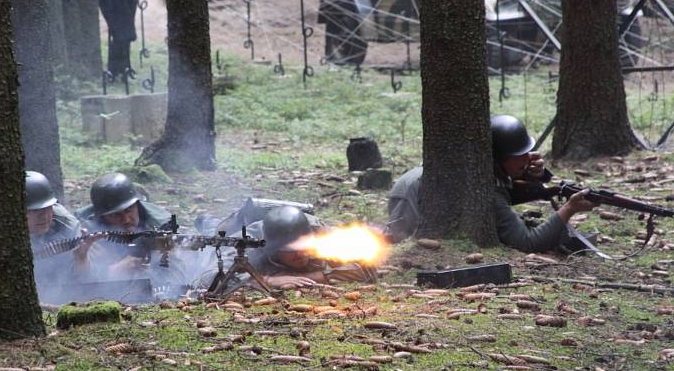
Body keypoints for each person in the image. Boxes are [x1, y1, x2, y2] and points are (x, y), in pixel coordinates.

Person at [387, 115, 598, 252]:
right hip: (408, 196)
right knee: (398, 240)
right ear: (497, 159)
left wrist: (539, 175)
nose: (527, 158)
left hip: (415, 183)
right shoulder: (488, 191)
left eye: (527, 153)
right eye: (519, 155)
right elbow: (529, 242)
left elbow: (514, 190)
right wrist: (569, 208)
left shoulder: (487, 170)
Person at [77, 172, 178, 280]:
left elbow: (177, 274)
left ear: (137, 204)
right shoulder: (88, 230)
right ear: (102, 216)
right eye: (115, 215)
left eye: (129, 210)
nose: (126, 219)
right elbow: (79, 280)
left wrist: (158, 261)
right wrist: (111, 271)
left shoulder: (160, 225)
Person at [247, 206, 376, 289]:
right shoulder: (252, 241)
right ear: (274, 248)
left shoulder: (321, 233)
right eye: (291, 251)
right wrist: (268, 280)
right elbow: (229, 274)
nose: (300, 254)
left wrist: (313, 277)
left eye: (303, 246)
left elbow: (367, 268)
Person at [25, 171, 96, 286]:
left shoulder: (67, 226)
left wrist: (81, 259)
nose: (44, 216)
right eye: (35, 210)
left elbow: (85, 282)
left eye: (48, 208)